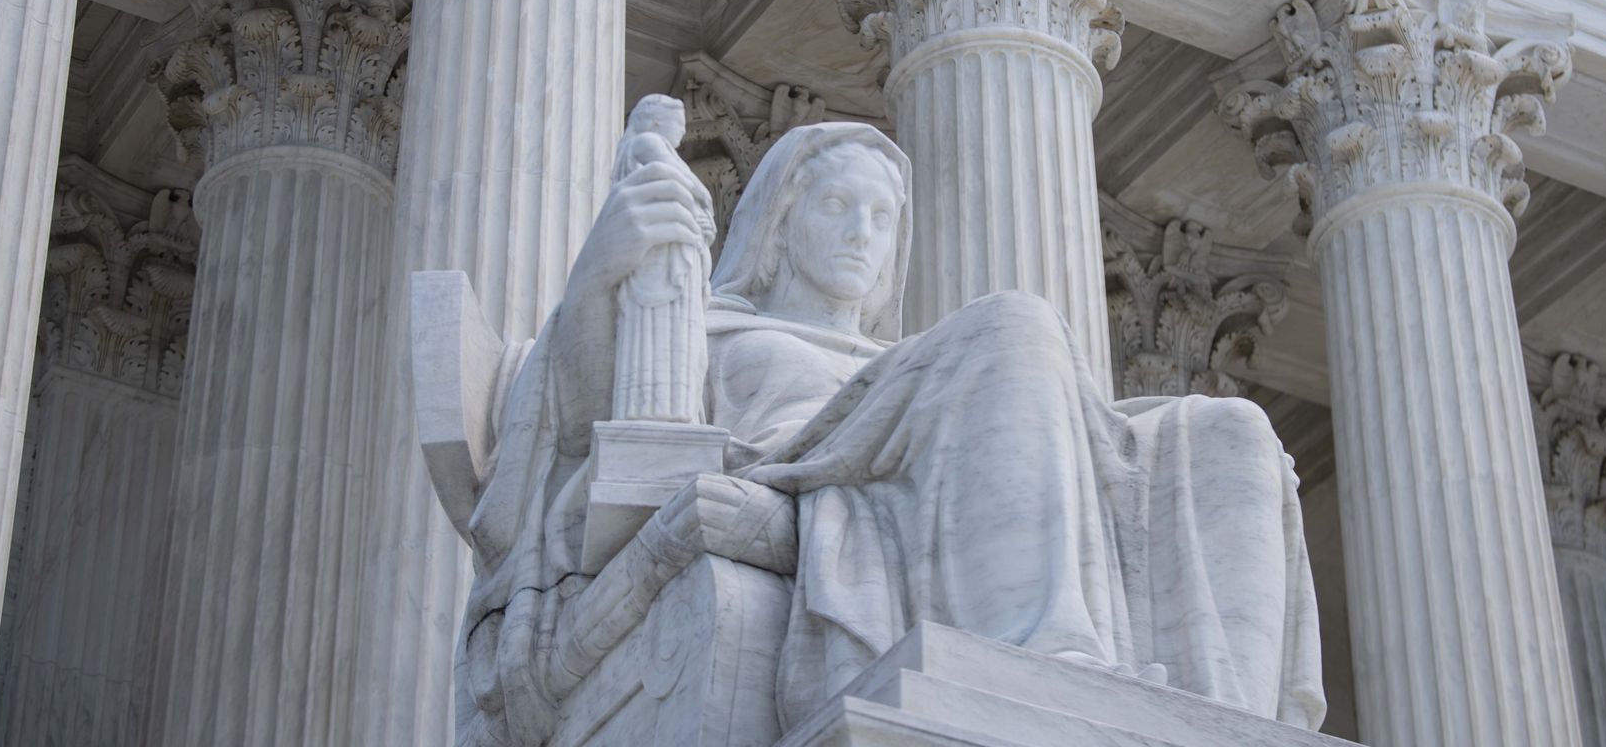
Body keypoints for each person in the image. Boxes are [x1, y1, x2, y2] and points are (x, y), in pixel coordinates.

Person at [456, 120, 1323, 744]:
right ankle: (1041, 654)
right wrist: (604, 271)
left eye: (880, 218)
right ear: (780, 221)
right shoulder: (712, 330)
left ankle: (1217, 722)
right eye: (836, 205)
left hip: (900, 480)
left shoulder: (914, 362)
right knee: (1015, 323)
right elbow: (573, 432)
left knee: (1229, 433)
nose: (861, 235)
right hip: (805, 473)